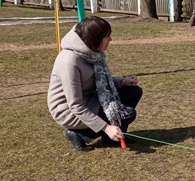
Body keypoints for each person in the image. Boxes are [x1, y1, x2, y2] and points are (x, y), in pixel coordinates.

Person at [47, 16, 143, 152]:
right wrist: (106, 127)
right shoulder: (70, 62)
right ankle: (80, 134)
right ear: (95, 39)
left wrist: (122, 82)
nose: (110, 39)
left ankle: (112, 137)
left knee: (133, 92)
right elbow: (75, 105)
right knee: (126, 114)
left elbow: (98, 80)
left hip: (89, 98)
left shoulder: (91, 53)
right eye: (107, 36)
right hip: (68, 110)